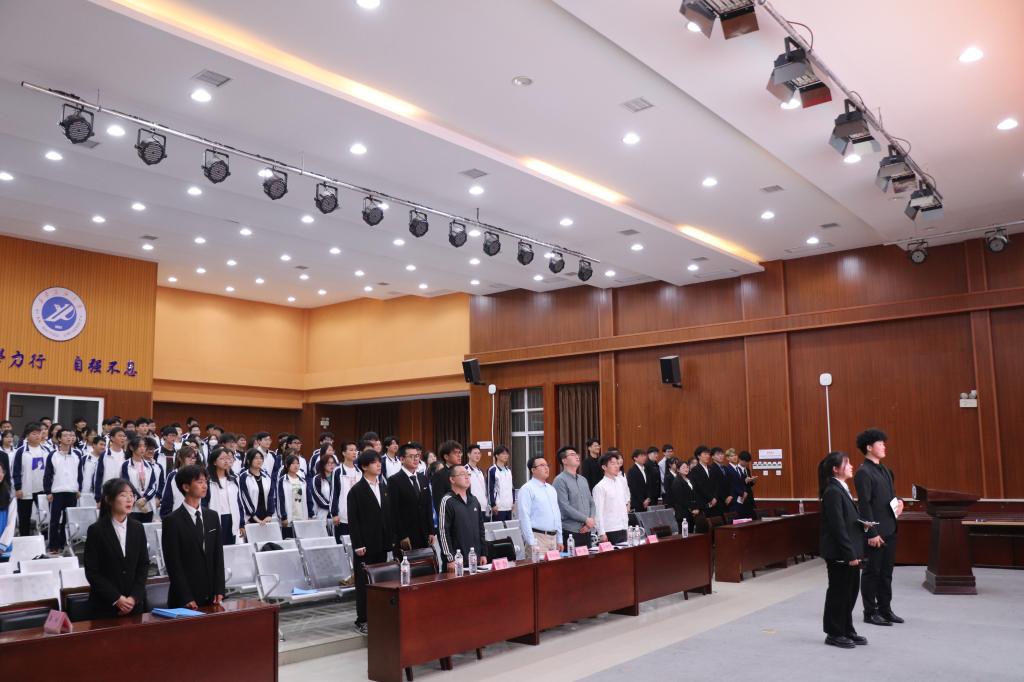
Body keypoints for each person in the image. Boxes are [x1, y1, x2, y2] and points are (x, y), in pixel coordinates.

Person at [854, 428, 903, 626]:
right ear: (869, 447)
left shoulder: (885, 470)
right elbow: (864, 505)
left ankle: (885, 609)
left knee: (886, 574)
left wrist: (900, 501)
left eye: (884, 443)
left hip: (890, 528)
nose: (884, 446)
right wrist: (872, 532)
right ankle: (870, 612)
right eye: (880, 443)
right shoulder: (863, 472)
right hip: (875, 532)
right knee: (872, 573)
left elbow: (891, 495)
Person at [819, 451, 867, 649]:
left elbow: (847, 520)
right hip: (839, 553)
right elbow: (837, 527)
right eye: (847, 464)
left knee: (850, 592)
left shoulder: (842, 489)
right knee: (838, 593)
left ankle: (847, 628)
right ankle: (834, 632)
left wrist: (862, 525)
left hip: (849, 550)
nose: (851, 466)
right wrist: (850, 554)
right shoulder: (832, 491)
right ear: (835, 469)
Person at [161, 465, 225, 609]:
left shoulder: (212, 516)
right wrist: (185, 596)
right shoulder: (172, 520)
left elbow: (218, 556)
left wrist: (219, 588)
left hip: (211, 594)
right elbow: (173, 563)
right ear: (186, 487)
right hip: (185, 597)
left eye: (205, 481)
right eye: (199, 482)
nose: (205, 486)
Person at [84, 478, 150, 618]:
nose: (129, 499)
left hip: (134, 606)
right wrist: (117, 598)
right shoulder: (96, 530)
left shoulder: (138, 528)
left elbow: (143, 565)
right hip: (105, 606)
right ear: (109, 499)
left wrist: (133, 598)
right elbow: (92, 572)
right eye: (123, 495)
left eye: (131, 495)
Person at [348, 449, 392, 635]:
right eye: (374, 462)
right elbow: (354, 521)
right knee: (364, 583)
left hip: (382, 543)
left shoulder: (383, 487)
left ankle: (378, 616)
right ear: (364, 466)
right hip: (365, 545)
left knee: (380, 582)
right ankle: (362, 619)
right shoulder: (356, 491)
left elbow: (388, 516)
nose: (379, 465)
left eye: (379, 461)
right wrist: (358, 544)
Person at [438, 465, 487, 570]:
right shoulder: (447, 501)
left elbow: (481, 528)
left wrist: (483, 553)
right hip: (457, 560)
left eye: (468, 474)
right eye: (462, 474)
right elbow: (443, 531)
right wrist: (450, 558)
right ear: (452, 479)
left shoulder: (474, 500)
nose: (467, 477)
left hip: (475, 558)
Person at [388, 442, 433, 556]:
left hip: (424, 533)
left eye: (417, 456)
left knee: (425, 563)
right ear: (402, 459)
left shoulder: (423, 478)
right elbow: (394, 511)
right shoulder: (394, 480)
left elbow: (428, 505)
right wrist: (402, 535)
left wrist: (431, 531)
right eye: (411, 456)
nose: (415, 459)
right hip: (406, 534)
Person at [42, 427, 81, 553]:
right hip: (57, 492)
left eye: (70, 435)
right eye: (65, 435)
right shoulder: (52, 455)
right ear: (59, 438)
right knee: (54, 520)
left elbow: (79, 474)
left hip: (72, 492)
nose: (69, 438)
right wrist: (48, 491)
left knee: (67, 520)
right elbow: (47, 475)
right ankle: (53, 546)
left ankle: (64, 544)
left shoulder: (77, 454)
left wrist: (78, 488)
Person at [517, 455, 563, 556]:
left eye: (547, 465)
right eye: (542, 465)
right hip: (537, 538)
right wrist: (531, 542)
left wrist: (559, 539)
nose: (546, 468)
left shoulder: (551, 489)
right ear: (533, 470)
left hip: (553, 538)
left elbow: (557, 515)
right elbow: (524, 517)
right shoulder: (527, 489)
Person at [553, 445, 596, 550]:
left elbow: (591, 503)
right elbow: (564, 507)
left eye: (577, 454)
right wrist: (586, 519)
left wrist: (590, 521)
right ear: (564, 460)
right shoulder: (560, 480)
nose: (577, 456)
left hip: (587, 530)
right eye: (572, 454)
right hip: (570, 531)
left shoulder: (583, 480)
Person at [12, 422, 49, 537]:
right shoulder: (20, 451)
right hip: (25, 489)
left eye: (39, 433)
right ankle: (24, 538)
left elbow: (50, 471)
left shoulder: (46, 450)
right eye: (34, 434)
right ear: (27, 436)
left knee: (45, 516)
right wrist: (18, 488)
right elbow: (16, 471)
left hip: (42, 489)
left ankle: (45, 539)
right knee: (24, 517)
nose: (37, 436)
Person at [204, 447, 244, 546]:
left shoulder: (233, 480)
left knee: (231, 548)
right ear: (214, 462)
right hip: (216, 519)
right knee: (217, 548)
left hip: (232, 518)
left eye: (227, 458)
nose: (226, 461)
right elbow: (204, 503)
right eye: (222, 459)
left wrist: (241, 523)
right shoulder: (208, 481)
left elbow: (239, 503)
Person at [592, 452, 629, 545]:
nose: (616, 466)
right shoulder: (600, 487)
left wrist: (626, 527)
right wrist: (601, 532)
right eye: (612, 463)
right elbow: (598, 512)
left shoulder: (620, 483)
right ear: (604, 467)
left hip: (623, 528)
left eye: (617, 463)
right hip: (609, 530)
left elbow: (623, 506)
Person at [120, 436, 158, 523]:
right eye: (140, 446)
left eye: (144, 446)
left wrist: (145, 499)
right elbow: (127, 484)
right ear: (131, 447)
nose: (143, 448)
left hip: (147, 506)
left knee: (147, 530)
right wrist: (138, 500)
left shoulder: (149, 465)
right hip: (133, 506)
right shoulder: (126, 465)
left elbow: (153, 485)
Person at [330, 441, 360, 540]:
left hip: (358, 516)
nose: (354, 452)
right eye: (351, 450)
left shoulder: (359, 471)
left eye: (355, 450)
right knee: (342, 544)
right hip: (342, 516)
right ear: (343, 453)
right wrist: (334, 514)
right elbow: (334, 493)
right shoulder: (337, 471)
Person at [239, 449, 276, 526]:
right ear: (248, 461)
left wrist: (269, 515)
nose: (259, 460)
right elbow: (245, 498)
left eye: (261, 458)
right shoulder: (244, 477)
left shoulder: (266, 476)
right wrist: (254, 517)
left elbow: (271, 496)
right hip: (250, 518)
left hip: (266, 519)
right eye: (256, 458)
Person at [278, 454, 311, 538]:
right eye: (293, 463)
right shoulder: (283, 480)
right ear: (287, 465)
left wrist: (310, 514)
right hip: (289, 518)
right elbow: (280, 499)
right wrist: (283, 517)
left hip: (302, 517)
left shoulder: (303, 481)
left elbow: (308, 498)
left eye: (297, 463)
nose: (296, 465)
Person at [161, 446, 198, 518]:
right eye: (188, 457)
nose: (191, 460)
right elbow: (167, 499)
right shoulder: (173, 476)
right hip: (177, 516)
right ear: (180, 458)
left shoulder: (198, 476)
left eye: (193, 458)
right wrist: (166, 518)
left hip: (195, 516)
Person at [93, 427, 128, 502]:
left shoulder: (126, 455)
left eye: (124, 436)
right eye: (120, 436)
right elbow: (98, 476)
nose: (122, 438)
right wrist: (98, 497)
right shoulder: (104, 455)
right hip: (106, 493)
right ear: (112, 438)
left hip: (121, 494)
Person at [430, 440, 463, 520]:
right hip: (449, 517)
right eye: (455, 453)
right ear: (446, 457)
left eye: (460, 452)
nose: (459, 455)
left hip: (463, 514)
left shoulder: (463, 472)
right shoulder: (439, 475)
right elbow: (438, 501)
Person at [689, 445, 722, 519]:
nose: (707, 456)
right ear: (698, 456)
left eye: (708, 454)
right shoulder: (695, 470)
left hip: (716, 503)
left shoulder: (711, 468)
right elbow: (699, 487)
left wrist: (715, 497)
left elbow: (716, 485)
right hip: (704, 504)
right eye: (705, 454)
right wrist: (711, 498)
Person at [487, 445, 515, 522]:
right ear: (497, 455)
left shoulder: (508, 471)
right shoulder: (492, 470)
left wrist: (513, 502)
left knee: (508, 528)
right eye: (503, 454)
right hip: (498, 507)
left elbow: (512, 488)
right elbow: (490, 489)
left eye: (507, 454)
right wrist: (493, 504)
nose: (506, 456)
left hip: (509, 507)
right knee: (498, 528)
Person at [671, 458, 699, 533]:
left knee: (691, 533)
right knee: (684, 534)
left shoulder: (689, 479)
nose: (686, 469)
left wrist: (696, 507)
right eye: (683, 467)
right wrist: (692, 509)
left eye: (687, 467)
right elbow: (681, 499)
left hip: (691, 513)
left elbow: (694, 495)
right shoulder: (677, 482)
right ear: (678, 470)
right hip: (683, 513)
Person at [465, 443, 489, 522]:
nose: (477, 455)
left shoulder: (480, 471)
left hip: (483, 506)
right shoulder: (465, 470)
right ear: (469, 455)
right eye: (475, 453)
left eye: (479, 453)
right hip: (472, 507)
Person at [310, 453, 336, 524]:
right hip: (322, 514)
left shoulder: (337, 477)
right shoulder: (317, 479)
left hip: (336, 515)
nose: (331, 465)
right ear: (323, 464)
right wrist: (333, 507)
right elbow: (318, 496)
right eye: (328, 463)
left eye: (333, 463)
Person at [0, 461, 17, 555]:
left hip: (3, 549)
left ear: (3, 474)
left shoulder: (10, 496)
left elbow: (11, 524)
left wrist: (2, 546)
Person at [725, 449, 747, 515]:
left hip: (742, 498)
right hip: (733, 498)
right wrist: (742, 493)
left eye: (735, 455)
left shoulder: (739, 468)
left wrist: (745, 491)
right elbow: (731, 484)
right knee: (735, 517)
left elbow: (742, 482)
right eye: (731, 456)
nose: (734, 457)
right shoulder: (727, 469)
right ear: (727, 458)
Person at [738, 451, 757, 518]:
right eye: (745, 461)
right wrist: (745, 481)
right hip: (741, 496)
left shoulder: (747, 470)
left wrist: (753, 481)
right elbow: (736, 484)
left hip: (749, 496)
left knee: (752, 516)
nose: (746, 463)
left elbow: (749, 485)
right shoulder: (736, 470)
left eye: (747, 461)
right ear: (740, 459)